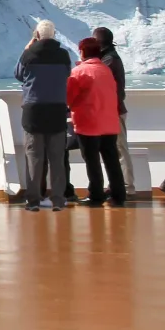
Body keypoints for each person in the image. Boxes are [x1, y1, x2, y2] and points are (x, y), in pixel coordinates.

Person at [15, 20, 73, 211]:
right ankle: (58, 199)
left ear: (37, 35)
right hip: (57, 110)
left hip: (34, 111)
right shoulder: (63, 55)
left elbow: (19, 74)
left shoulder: (29, 54)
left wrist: (27, 48)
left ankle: (33, 200)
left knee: (34, 157)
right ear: (54, 35)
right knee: (57, 157)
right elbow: (67, 75)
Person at [65, 36, 127, 206]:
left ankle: (96, 194)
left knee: (92, 160)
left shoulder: (79, 72)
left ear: (82, 51)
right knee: (111, 159)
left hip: (88, 122)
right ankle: (119, 193)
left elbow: (69, 97)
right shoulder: (105, 70)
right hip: (109, 121)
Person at [92, 26, 137, 196]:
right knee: (114, 149)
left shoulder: (109, 61)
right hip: (112, 110)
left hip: (113, 110)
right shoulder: (109, 58)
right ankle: (119, 184)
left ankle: (127, 186)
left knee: (119, 148)